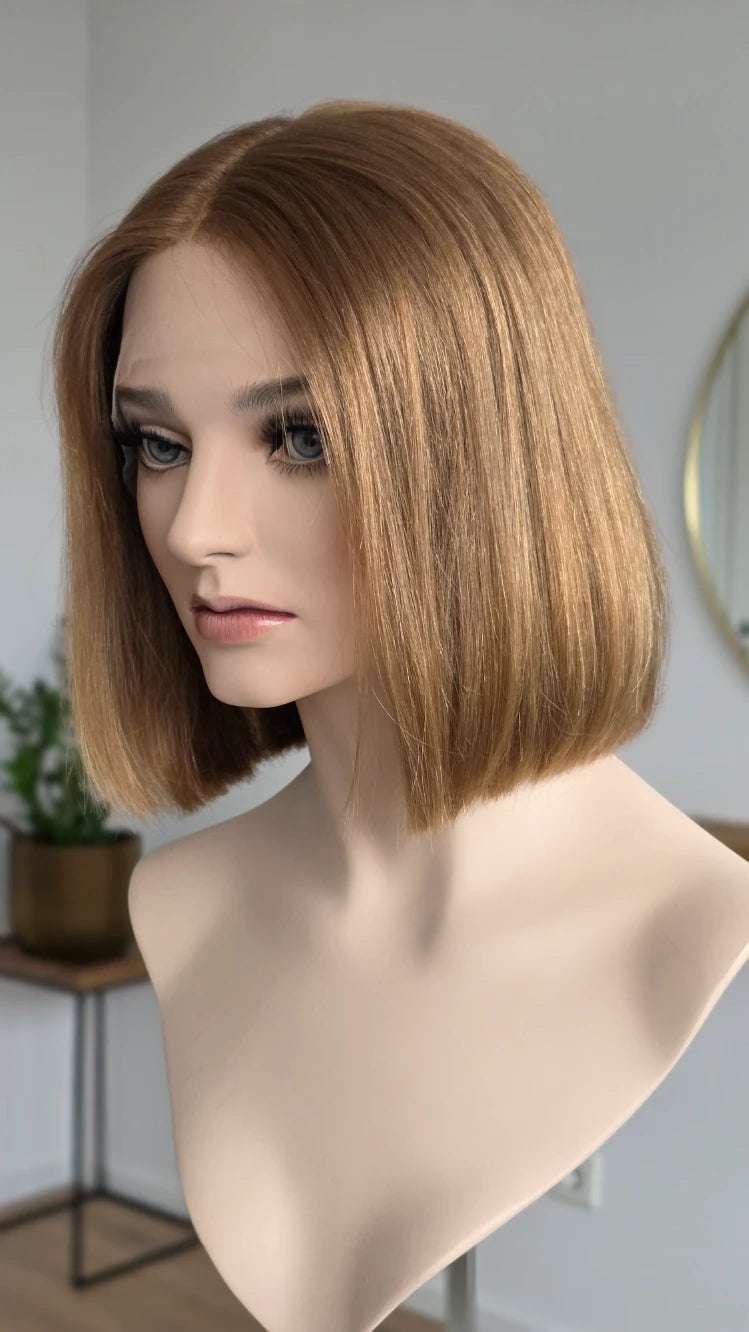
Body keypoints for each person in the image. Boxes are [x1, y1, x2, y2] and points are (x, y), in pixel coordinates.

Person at [51, 100, 749, 1332]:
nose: (196, 527)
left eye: (298, 436)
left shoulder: (687, 934)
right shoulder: (186, 902)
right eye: (157, 444)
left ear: (486, 453)